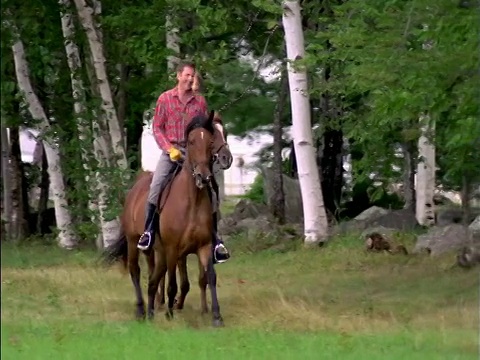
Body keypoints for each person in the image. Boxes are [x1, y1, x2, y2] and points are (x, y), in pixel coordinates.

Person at [137, 61, 230, 264]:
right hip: (171, 151)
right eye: (187, 75)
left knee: (212, 190)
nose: (190, 78)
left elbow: (205, 128)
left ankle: (215, 241)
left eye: (192, 75)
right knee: (155, 186)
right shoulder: (165, 99)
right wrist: (169, 149)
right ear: (178, 76)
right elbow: (157, 128)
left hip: (195, 153)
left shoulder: (200, 102)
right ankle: (149, 231)